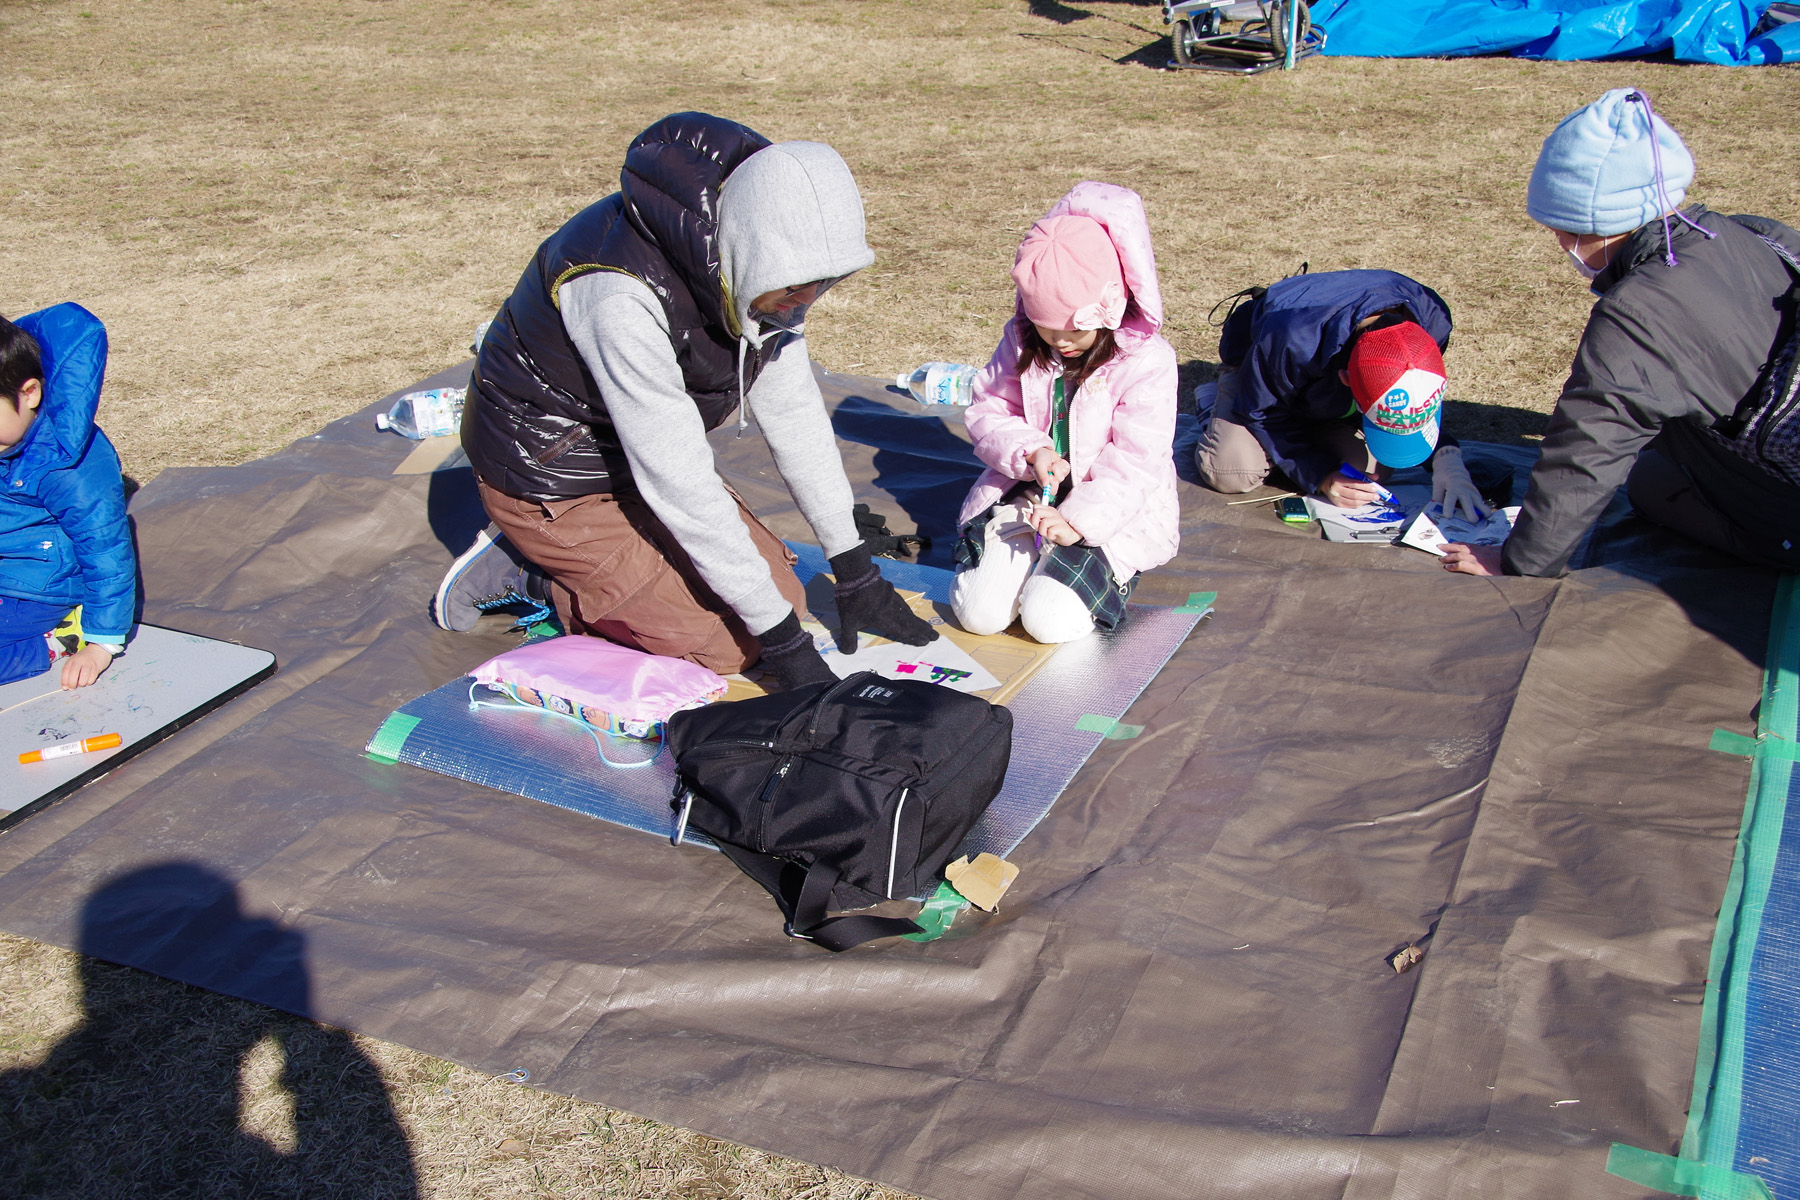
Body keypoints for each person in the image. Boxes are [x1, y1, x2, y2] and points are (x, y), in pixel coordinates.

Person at [434, 113, 935, 688]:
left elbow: (794, 414)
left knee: (786, 597)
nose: (806, 303)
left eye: (825, 283)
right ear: (753, 250)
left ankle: (596, 569)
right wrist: (784, 649)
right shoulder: (618, 294)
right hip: (552, 477)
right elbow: (679, 480)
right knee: (732, 646)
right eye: (797, 286)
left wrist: (855, 572)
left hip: (633, 447)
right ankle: (531, 571)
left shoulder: (758, 259)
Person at [1442, 88, 1800, 578]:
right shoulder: (1746, 232)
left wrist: (1518, 562)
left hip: (1786, 496)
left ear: (1599, 222)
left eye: (1565, 230)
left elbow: (1586, 450)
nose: (1562, 245)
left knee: (1650, 481)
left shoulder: (1637, 315)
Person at [949, 182, 1179, 644]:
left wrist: (1078, 522)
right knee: (979, 615)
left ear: (1110, 310)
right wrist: (1031, 452)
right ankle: (1027, 561)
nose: (1061, 343)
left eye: (1075, 330)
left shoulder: (1148, 361)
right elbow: (989, 408)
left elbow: (1136, 461)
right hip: (1031, 498)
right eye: (1047, 330)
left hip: (1107, 511)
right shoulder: (1022, 339)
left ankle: (1106, 573)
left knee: (1047, 621)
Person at [1192, 269, 1488, 520]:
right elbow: (1261, 410)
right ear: (1346, 380)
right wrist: (1322, 477)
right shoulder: (1292, 337)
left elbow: (1416, 399)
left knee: (1369, 473)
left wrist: (1446, 456)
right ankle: (1214, 403)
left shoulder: (1433, 320)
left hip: (1322, 385)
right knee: (1231, 470)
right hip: (1259, 372)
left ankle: (1302, 433)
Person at [0, 306, 135, 688]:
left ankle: (57, 639)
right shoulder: (5, 438)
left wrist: (101, 643)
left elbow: (105, 552)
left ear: (28, 393)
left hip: (42, 588)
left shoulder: (68, 470)